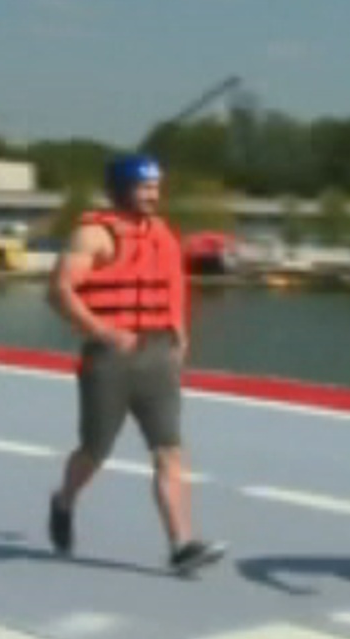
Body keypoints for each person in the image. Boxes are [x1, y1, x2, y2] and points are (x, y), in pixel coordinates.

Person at [45, 153, 226, 576]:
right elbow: (58, 292)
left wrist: (179, 332)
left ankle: (181, 545)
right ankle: (64, 500)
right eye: (144, 187)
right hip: (109, 357)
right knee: (95, 451)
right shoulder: (93, 235)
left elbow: (174, 284)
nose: (152, 195)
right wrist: (103, 331)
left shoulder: (163, 233)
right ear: (121, 189)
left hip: (158, 354)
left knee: (169, 450)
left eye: (156, 187)